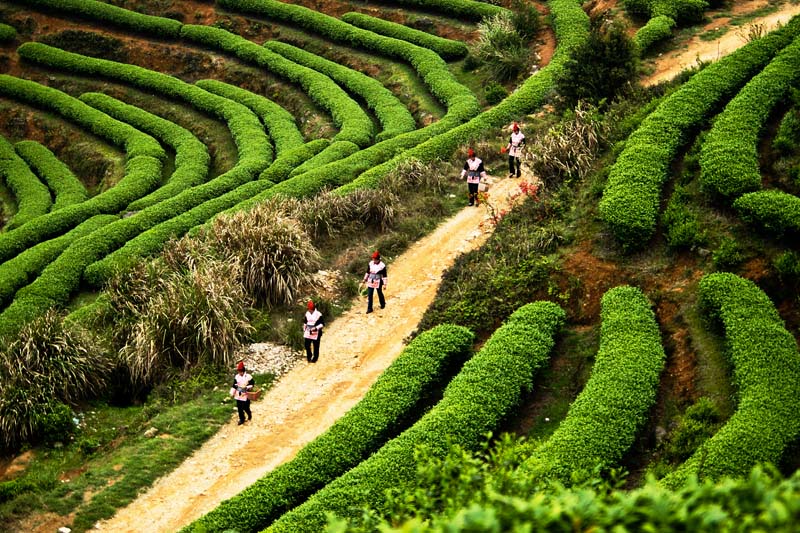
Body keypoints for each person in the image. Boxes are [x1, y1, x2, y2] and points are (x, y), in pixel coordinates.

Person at [230, 361, 254, 425]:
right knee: (239, 408)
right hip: (238, 394)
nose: (239, 373)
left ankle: (249, 413)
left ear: (243, 371)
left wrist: (247, 387)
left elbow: (252, 384)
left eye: (240, 371)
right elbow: (234, 385)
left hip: (246, 394)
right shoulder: (236, 377)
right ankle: (242, 419)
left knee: (246, 407)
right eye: (238, 371)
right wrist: (232, 392)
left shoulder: (248, 376)